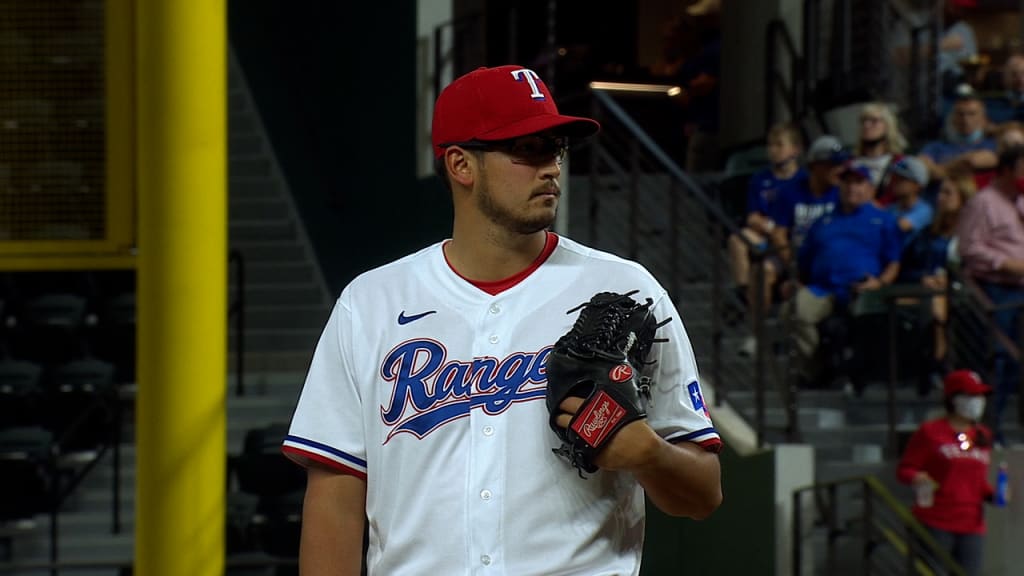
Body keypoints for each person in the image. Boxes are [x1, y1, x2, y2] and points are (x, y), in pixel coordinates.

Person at [280, 65, 723, 576]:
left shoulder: (626, 291)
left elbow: (703, 495)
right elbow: (336, 492)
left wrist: (649, 454)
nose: (551, 168)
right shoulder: (373, 302)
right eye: (528, 149)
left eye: (554, 148)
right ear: (461, 165)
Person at [782, 160, 901, 390]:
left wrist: (881, 283)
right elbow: (804, 261)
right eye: (847, 182)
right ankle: (818, 367)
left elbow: (894, 262)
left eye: (858, 183)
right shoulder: (824, 221)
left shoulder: (883, 220)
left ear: (869, 188)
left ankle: (850, 374)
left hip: (863, 290)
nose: (852, 188)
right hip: (823, 287)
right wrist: (796, 280)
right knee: (793, 311)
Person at [897, 370, 997, 576]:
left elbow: (975, 479)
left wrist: (993, 494)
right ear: (953, 398)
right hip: (936, 520)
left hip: (972, 523)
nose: (977, 401)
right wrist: (916, 477)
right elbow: (905, 469)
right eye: (970, 396)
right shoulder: (930, 432)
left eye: (980, 396)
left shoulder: (981, 435)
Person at [956, 144, 1024, 446]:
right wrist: (1003, 262)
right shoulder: (983, 203)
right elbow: (969, 248)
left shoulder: (1020, 202)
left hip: (1020, 291)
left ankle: (997, 425)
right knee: (996, 360)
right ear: (1008, 170)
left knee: (1014, 363)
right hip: (995, 289)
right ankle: (987, 429)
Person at [726, 122, 805, 356]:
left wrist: (774, 228)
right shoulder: (761, 179)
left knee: (763, 271)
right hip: (766, 237)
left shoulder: (803, 180)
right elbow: (752, 218)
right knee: (738, 240)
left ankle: (754, 323)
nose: (773, 150)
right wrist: (772, 228)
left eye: (779, 145)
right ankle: (743, 292)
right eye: (771, 145)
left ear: (795, 149)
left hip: (790, 241)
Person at [898, 167, 976, 392]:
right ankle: (937, 368)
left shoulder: (972, 233)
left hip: (962, 293)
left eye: (948, 193)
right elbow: (907, 267)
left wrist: (947, 281)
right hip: (924, 292)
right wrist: (923, 278)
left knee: (937, 306)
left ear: (963, 197)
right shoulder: (927, 234)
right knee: (933, 304)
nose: (940, 198)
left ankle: (938, 368)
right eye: (940, 192)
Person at [918, 92, 996, 183]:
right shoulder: (935, 147)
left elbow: (971, 162)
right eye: (960, 114)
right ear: (953, 117)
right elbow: (920, 166)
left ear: (983, 118)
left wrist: (939, 171)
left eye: (972, 114)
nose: (965, 119)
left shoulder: (991, 145)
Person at [854, 102, 909, 190]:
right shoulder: (851, 164)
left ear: (887, 126)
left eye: (874, 121)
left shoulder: (900, 163)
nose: (866, 125)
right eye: (863, 121)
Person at [884, 155, 934, 249]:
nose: (896, 182)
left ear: (917, 186)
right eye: (896, 177)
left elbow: (900, 226)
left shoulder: (924, 210)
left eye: (903, 179)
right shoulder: (891, 208)